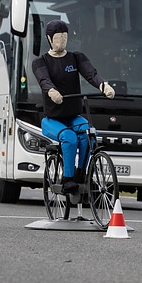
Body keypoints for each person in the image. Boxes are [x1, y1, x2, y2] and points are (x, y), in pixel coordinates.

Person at [32, 19, 115, 193]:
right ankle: (67, 179)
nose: (61, 41)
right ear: (49, 39)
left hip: (73, 116)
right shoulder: (41, 62)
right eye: (57, 38)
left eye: (64, 37)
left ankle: (82, 174)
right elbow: (44, 80)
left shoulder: (76, 57)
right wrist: (52, 91)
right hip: (52, 119)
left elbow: (91, 74)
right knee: (70, 138)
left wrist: (103, 86)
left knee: (89, 134)